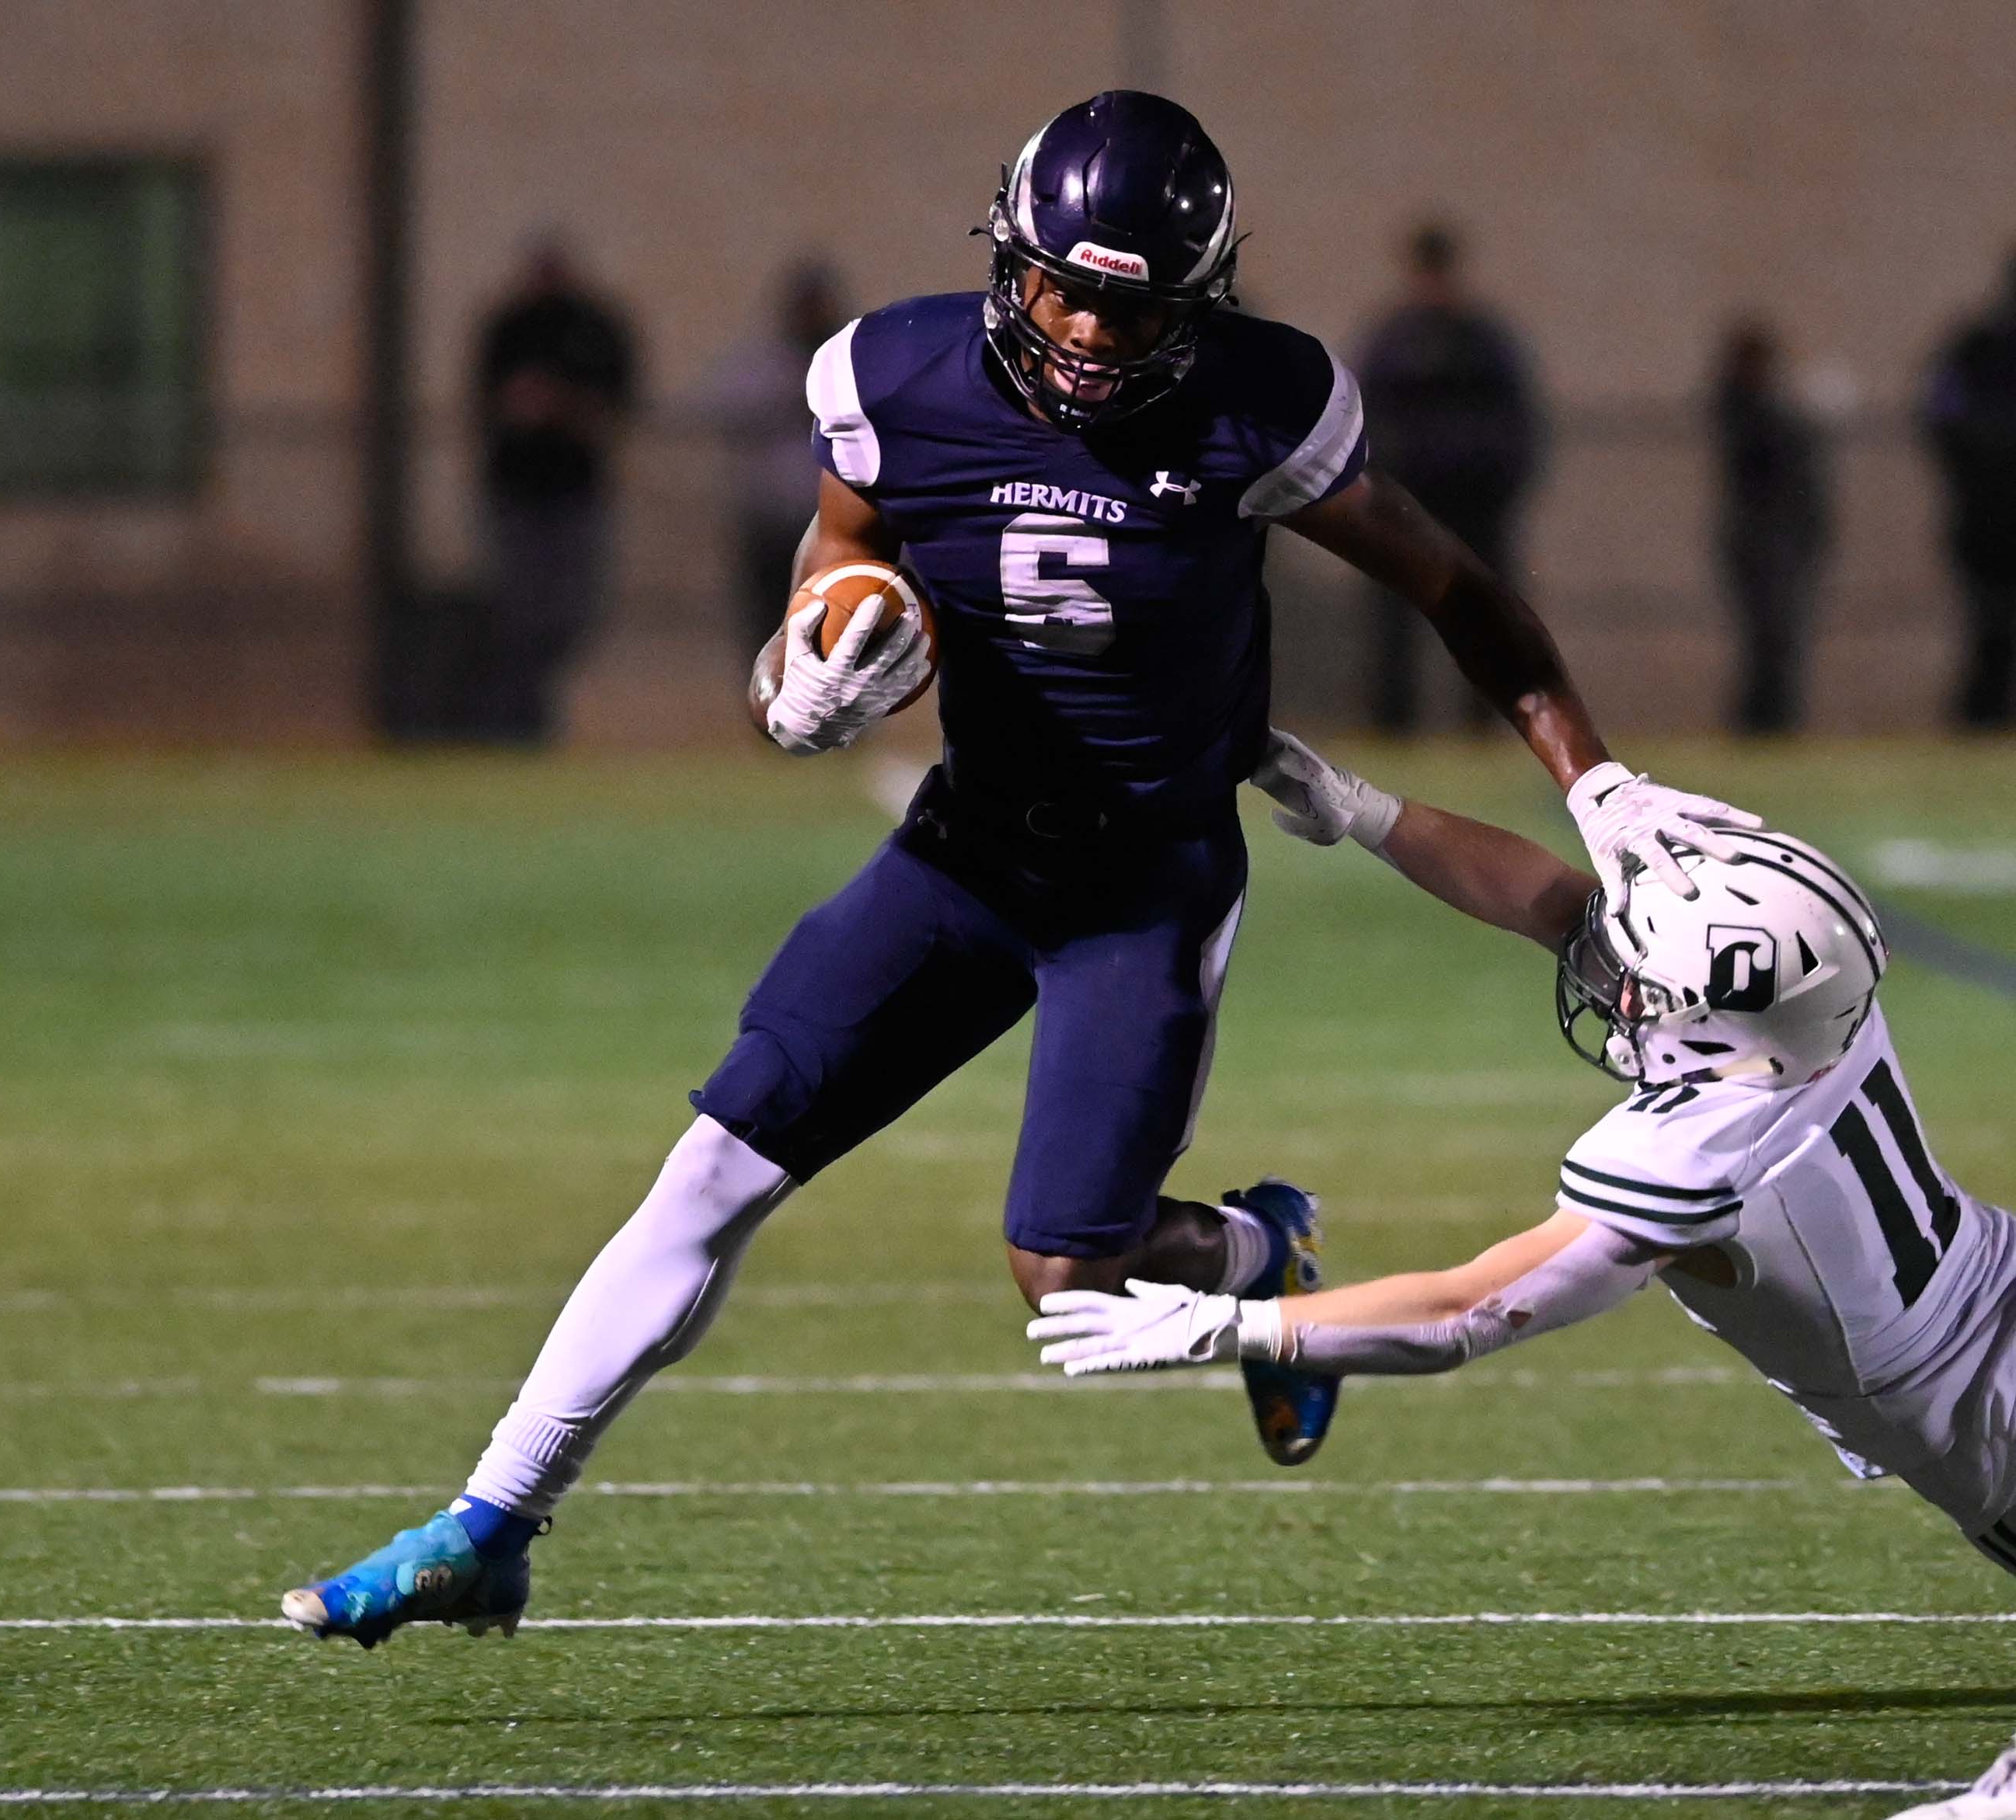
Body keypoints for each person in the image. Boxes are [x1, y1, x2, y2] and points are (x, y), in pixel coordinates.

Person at [281, 92, 1752, 1648]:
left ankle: (1261, 1252)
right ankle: (491, 1518)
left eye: (1128, 302)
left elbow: (1463, 595)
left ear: (1194, 300)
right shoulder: (892, 372)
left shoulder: (1262, 406)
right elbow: (842, 538)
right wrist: (817, 638)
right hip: (967, 848)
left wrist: (1591, 778)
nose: (1087, 329)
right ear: (1007, 255)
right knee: (714, 1163)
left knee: (1066, 1271)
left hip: (1145, 881)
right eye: (1061, 285)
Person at [1032, 732, 2016, 1601]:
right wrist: (1370, 813)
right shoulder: (1809, 1011)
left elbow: (1464, 1310)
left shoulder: (1701, 1152)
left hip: (1990, 1428)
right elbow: (1558, 905)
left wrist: (1224, 1325)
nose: (1620, 991)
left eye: (1641, 983)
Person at [1354, 223, 1544, 733]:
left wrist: (1500, 484)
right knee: (1395, 626)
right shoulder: (1393, 340)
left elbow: (1517, 422)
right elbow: (1359, 419)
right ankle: (1393, 727)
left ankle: (1480, 725)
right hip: (1403, 510)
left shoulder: (1483, 340)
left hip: (1475, 508)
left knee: (1480, 625)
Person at [471, 238, 641, 743]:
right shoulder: (509, 328)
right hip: (516, 489)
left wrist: (565, 407)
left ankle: (535, 702)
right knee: (519, 611)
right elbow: (483, 404)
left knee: (576, 607)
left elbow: (620, 406)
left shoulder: (593, 328)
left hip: (576, 489)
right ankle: (519, 722)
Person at [698, 261, 852, 659]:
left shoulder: (853, 362)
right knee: (767, 623)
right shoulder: (762, 363)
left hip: (836, 521)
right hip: (769, 519)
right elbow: (721, 407)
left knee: (837, 623)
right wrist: (788, 400)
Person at [1712, 319, 1831, 735]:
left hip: (1781, 537)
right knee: (1770, 636)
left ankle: (1772, 722)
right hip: (1762, 537)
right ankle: (1764, 724)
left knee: (1779, 636)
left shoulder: (1757, 409)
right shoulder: (1742, 409)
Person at [1923, 251, 2016, 730]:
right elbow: (1941, 417)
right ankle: (1983, 718)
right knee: (1991, 625)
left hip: (1984, 510)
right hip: (1987, 514)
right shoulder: (1977, 348)